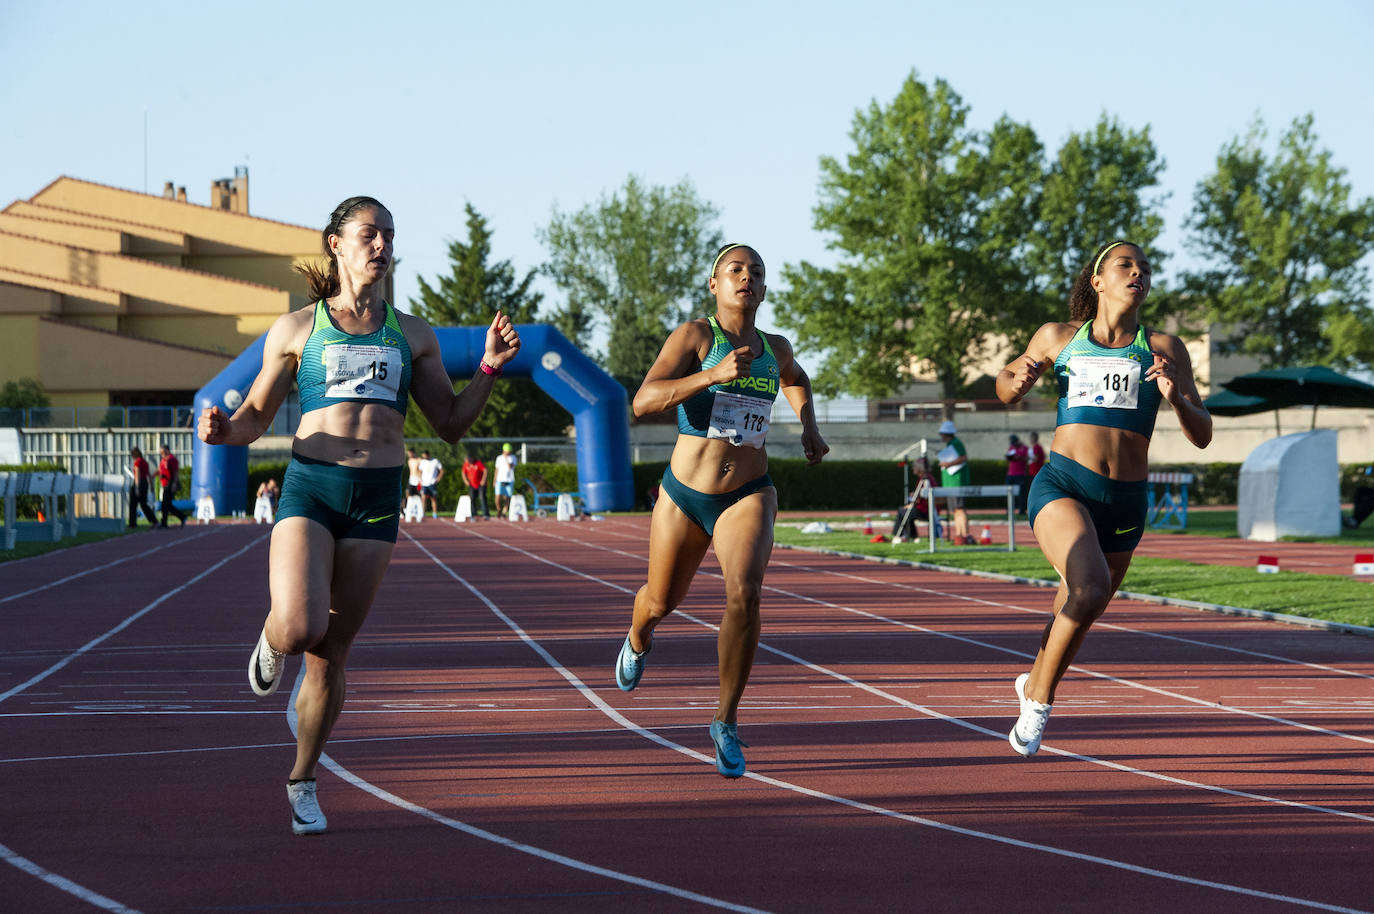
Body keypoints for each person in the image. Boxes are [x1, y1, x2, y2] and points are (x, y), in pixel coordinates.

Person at [197, 195, 520, 834]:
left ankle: (303, 779)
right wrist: (222, 431)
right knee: (298, 628)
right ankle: (272, 635)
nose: (381, 245)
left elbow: (452, 424)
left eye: (389, 236)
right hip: (311, 488)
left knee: (331, 655)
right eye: (368, 234)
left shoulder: (414, 336)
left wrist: (488, 366)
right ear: (336, 245)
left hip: (377, 498)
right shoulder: (296, 330)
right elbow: (257, 416)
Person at [613, 243, 828, 778]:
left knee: (746, 593)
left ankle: (725, 719)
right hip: (685, 493)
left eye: (756, 272)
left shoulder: (775, 348)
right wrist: (711, 376)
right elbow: (642, 401)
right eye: (735, 270)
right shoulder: (695, 337)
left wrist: (808, 425)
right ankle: (639, 637)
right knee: (660, 600)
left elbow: (797, 379)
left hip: (748, 492)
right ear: (715, 284)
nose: (746, 278)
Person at [996, 239, 1211, 758]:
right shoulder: (1059, 337)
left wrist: (1177, 397)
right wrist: (1016, 380)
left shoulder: (1164, 347)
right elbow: (1005, 384)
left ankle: (1032, 682)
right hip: (1064, 484)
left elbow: (1202, 433)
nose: (1138, 272)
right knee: (1089, 589)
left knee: (1077, 604)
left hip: (1126, 500)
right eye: (1125, 265)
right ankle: (1041, 701)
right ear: (1098, 281)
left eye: (1144, 268)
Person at [936, 420, 972, 544]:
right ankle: (959, 535)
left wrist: (948, 463)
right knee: (956, 510)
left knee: (960, 508)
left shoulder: (956, 443)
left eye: (942, 433)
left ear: (947, 433)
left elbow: (963, 458)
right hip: (951, 483)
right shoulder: (950, 444)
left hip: (957, 482)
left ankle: (965, 534)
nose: (941, 436)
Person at [891, 457, 933, 542]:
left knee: (902, 511)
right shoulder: (926, 479)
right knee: (906, 512)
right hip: (924, 508)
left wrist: (913, 502)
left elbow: (924, 497)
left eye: (915, 466)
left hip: (925, 510)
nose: (913, 468)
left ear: (921, 468)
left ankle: (898, 535)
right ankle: (914, 537)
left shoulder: (925, 480)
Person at [157, 443, 188, 527]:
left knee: (165, 504)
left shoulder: (172, 459)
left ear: (167, 450)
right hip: (165, 483)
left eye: (162, 452)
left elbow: (175, 472)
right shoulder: (163, 460)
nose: (161, 454)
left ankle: (164, 523)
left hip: (170, 484)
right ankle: (182, 516)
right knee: (167, 505)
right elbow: (161, 470)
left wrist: (174, 483)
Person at [127, 446, 157, 527]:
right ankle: (154, 520)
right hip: (145, 484)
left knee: (133, 505)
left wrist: (136, 487)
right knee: (144, 504)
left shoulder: (137, 462)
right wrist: (151, 485)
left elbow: (137, 475)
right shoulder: (144, 462)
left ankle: (132, 524)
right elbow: (148, 475)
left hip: (139, 483)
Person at [1005, 434, 1030, 516]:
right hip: (1010, 474)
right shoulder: (1011, 447)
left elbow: (1028, 458)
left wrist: (1019, 458)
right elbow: (1009, 457)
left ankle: (1022, 510)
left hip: (1020, 474)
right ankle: (1009, 510)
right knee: (1009, 492)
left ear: (1017, 441)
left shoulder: (1024, 448)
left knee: (1021, 493)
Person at [461, 452, 490, 519]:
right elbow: (463, 473)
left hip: (480, 484)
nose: (468, 462)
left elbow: (485, 470)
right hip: (472, 484)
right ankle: (473, 514)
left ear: (471, 458)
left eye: (468, 460)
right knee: (472, 499)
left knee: (482, 498)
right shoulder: (466, 464)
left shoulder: (478, 463)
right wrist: (465, 481)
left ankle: (485, 514)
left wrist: (483, 480)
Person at [417, 449, 444, 518]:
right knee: (423, 498)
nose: (423, 457)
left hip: (432, 483)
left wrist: (437, 479)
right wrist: (420, 479)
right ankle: (423, 513)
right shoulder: (423, 462)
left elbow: (441, 470)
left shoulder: (435, 461)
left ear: (428, 455)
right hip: (424, 484)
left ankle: (434, 514)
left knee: (433, 498)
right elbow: (419, 471)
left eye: (424, 455)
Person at [493, 442, 518, 517]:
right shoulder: (499, 458)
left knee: (507, 498)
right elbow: (496, 469)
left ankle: (504, 512)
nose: (509, 452)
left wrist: (507, 459)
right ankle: (499, 509)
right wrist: (494, 480)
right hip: (500, 480)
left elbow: (510, 467)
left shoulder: (513, 458)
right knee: (497, 497)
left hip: (509, 480)